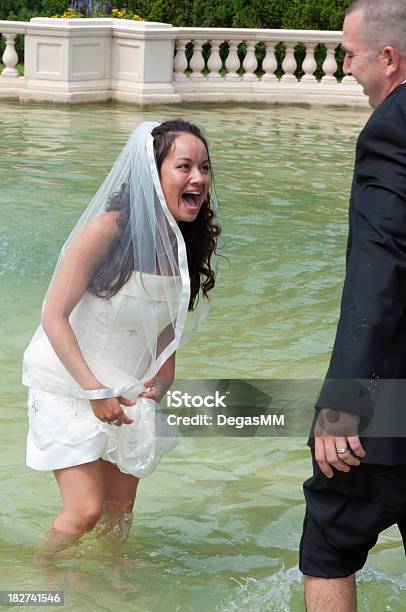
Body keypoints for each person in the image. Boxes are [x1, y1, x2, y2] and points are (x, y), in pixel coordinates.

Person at [23, 119, 220, 553]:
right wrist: (94, 390)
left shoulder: (188, 244)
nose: (199, 178)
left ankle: (112, 585)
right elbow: (53, 316)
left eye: (205, 168)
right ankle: (38, 582)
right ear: (153, 173)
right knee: (85, 511)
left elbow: (166, 332)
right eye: (184, 166)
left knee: (119, 513)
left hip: (127, 391)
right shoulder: (106, 230)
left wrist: (163, 379)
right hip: (68, 379)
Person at [299, 1, 406, 610]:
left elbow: (380, 268)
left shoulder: (392, 129)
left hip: (389, 401)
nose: (345, 68)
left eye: (350, 55)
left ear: (388, 59)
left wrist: (343, 400)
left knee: (329, 540)